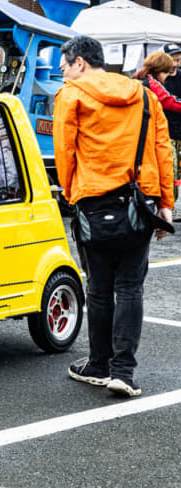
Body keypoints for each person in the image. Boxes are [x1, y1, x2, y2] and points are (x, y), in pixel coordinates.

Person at [55, 35, 173, 398]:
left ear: (80, 63)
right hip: (139, 202)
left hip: (93, 203)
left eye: (64, 68)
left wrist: (72, 191)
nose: (63, 76)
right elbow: (162, 147)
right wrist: (166, 202)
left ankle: (98, 364)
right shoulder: (144, 95)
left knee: (99, 289)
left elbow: (64, 151)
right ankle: (124, 372)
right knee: (131, 288)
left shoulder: (71, 96)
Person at [162, 43, 181, 187]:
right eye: (172, 60)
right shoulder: (160, 78)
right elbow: (168, 101)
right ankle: (171, 206)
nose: (175, 63)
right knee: (171, 172)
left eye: (178, 59)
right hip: (166, 133)